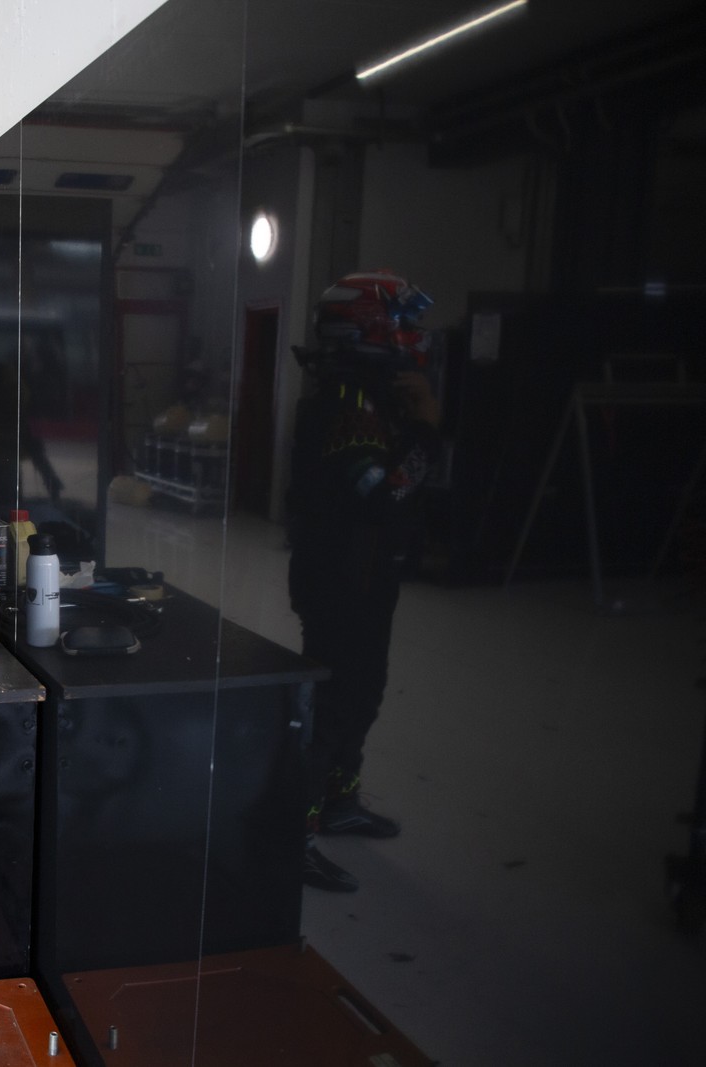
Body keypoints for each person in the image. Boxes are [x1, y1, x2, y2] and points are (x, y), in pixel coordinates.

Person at [286, 270, 441, 894]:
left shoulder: (368, 398)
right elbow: (381, 498)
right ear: (371, 329)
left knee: (363, 695)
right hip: (341, 586)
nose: (413, 335)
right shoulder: (345, 407)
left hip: (368, 580)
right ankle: (294, 838)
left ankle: (339, 802)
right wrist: (427, 428)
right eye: (403, 323)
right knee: (331, 709)